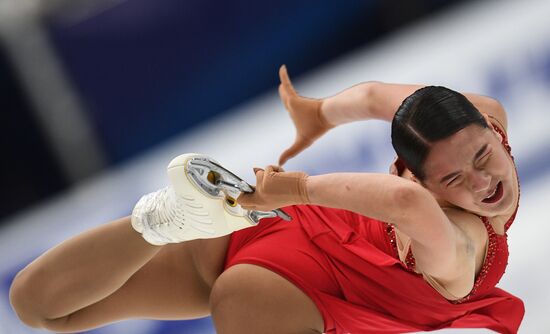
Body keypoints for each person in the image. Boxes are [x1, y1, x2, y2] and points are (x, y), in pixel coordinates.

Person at [9, 65, 523, 334]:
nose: (483, 184)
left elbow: (371, 100)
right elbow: (405, 206)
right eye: (453, 179)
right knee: (38, 307)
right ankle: (169, 220)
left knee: (43, 310)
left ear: (490, 129)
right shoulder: (467, 241)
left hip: (264, 222)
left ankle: (164, 221)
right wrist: (297, 186)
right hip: (283, 292)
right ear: (418, 179)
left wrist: (319, 114)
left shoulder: (474, 112)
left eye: (481, 156)